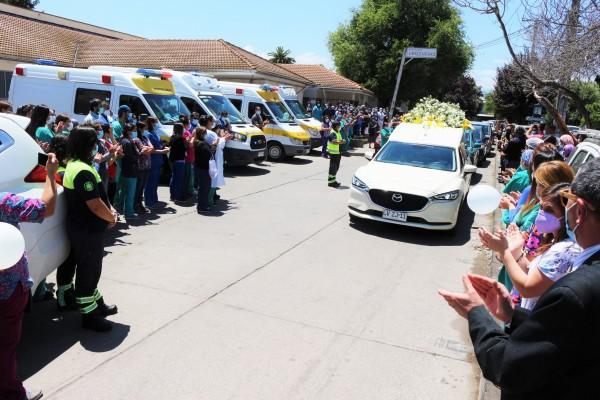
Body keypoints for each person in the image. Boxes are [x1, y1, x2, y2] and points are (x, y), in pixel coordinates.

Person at [439, 157, 600, 399]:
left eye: (566, 201)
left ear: (581, 210)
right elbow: (565, 338)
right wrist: (513, 315)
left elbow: (509, 367)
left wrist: (476, 313)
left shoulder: (576, 291)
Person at [0, 153, 58, 400]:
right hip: (8, 288)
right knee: (5, 345)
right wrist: (51, 175)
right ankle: (11, 393)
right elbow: (47, 207)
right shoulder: (4, 203)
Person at [63, 126, 118, 332]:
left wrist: (110, 209)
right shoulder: (82, 170)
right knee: (88, 272)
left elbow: (100, 196)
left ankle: (97, 304)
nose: (97, 146)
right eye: (94, 142)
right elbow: (94, 204)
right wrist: (110, 217)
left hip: (87, 229)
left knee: (93, 270)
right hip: (86, 230)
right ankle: (89, 316)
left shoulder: (77, 164)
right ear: (87, 145)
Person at [144, 117, 169, 208]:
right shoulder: (147, 134)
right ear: (151, 123)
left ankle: (154, 200)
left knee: (155, 182)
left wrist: (164, 147)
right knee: (150, 181)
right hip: (152, 161)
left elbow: (159, 144)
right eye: (155, 123)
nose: (157, 124)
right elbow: (151, 149)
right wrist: (161, 151)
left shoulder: (155, 132)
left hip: (158, 160)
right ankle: (149, 201)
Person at [118, 123, 140, 219]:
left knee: (125, 192)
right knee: (130, 193)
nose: (135, 132)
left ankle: (125, 210)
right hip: (130, 170)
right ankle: (129, 213)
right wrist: (140, 153)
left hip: (126, 170)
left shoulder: (124, 140)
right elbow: (131, 157)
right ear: (128, 131)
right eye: (133, 130)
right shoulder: (127, 142)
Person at [133, 121, 153, 213]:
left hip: (147, 166)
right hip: (140, 167)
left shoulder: (145, 137)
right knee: (139, 187)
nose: (144, 130)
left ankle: (140, 204)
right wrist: (146, 149)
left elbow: (151, 147)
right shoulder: (136, 139)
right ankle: (136, 205)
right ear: (139, 129)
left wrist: (147, 149)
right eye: (143, 128)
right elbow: (142, 150)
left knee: (142, 187)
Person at [193, 126, 212, 214]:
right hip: (204, 168)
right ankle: (202, 206)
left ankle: (202, 205)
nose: (206, 134)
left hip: (200, 167)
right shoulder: (202, 143)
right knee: (204, 188)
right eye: (205, 133)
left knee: (203, 187)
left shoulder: (197, 142)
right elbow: (208, 154)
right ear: (201, 134)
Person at [169, 123, 186, 202]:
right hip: (180, 160)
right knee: (178, 179)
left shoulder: (172, 137)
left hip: (173, 160)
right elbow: (184, 149)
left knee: (174, 177)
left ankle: (172, 195)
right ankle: (177, 196)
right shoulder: (181, 139)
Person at [327, 121, 345, 188]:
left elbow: (339, 140)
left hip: (338, 152)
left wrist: (342, 140)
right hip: (333, 153)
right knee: (333, 168)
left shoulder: (337, 132)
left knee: (336, 167)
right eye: (338, 126)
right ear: (335, 126)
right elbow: (334, 142)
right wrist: (342, 142)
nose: (339, 127)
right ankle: (331, 182)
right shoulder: (332, 133)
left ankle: (333, 181)